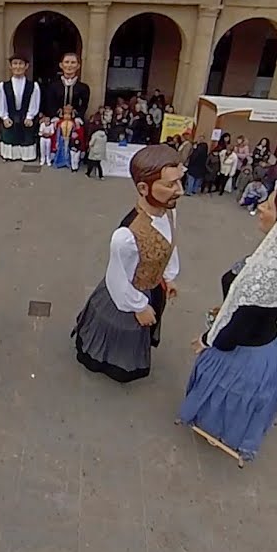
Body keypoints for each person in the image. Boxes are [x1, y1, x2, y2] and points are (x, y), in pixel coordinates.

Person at [179, 179, 277, 464]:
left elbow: (234, 332)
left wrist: (206, 340)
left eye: (269, 205)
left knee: (223, 394)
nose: (261, 208)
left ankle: (219, 431)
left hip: (243, 352)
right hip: (266, 344)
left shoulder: (268, 272)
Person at [72, 145, 183, 383]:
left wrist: (168, 276)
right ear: (143, 188)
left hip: (152, 288)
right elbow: (117, 278)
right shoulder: (125, 236)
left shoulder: (170, 211)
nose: (180, 190)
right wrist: (139, 306)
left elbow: (169, 244)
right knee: (119, 336)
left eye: (179, 181)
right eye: (170, 184)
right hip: (127, 296)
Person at [0, 54, 41, 162]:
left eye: (21, 64)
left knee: (27, 133)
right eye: (15, 64)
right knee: (9, 133)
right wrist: (5, 117)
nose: (18, 67)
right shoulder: (3, 86)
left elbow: (34, 103)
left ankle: (26, 155)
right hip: (10, 118)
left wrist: (30, 117)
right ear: (10, 66)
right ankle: (11, 154)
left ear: (26, 66)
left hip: (25, 119)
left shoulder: (33, 86)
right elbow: (1, 103)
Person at [41, 51, 90, 121]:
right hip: (55, 120)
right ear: (61, 65)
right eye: (66, 62)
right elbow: (50, 105)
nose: (69, 65)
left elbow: (83, 106)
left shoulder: (84, 88)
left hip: (76, 121)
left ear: (78, 66)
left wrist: (75, 114)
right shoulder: (52, 86)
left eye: (73, 62)